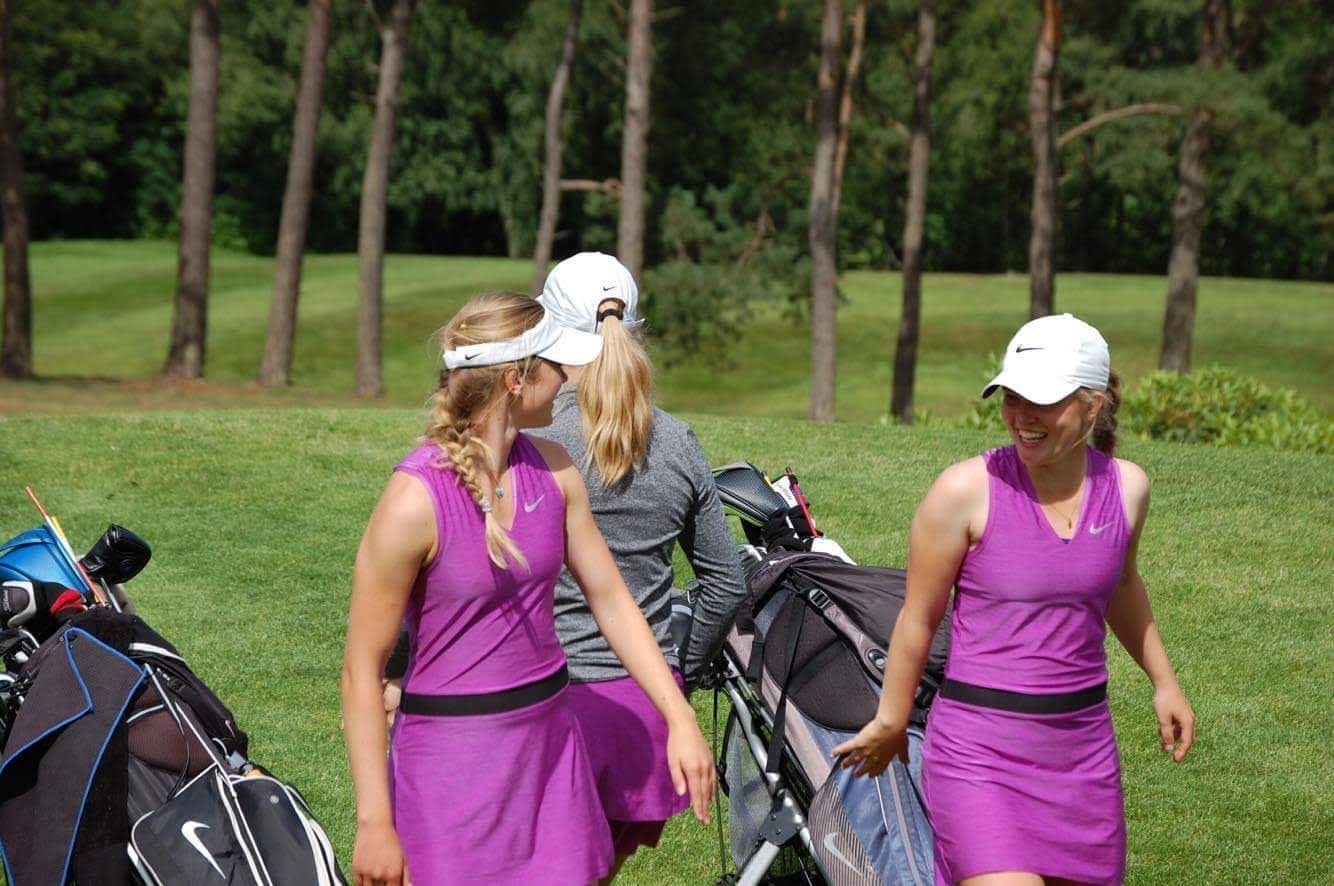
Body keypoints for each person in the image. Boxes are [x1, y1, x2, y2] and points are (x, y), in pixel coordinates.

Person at [341, 291, 716, 886]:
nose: (567, 378)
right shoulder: (413, 501)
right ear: (516, 379)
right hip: (450, 767)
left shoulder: (556, 469)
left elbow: (613, 602)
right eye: (555, 364)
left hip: (550, 752)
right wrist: (374, 823)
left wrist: (680, 718)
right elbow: (362, 671)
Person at [832, 313, 1196, 886]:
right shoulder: (964, 492)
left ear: (1093, 405)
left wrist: (1164, 682)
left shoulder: (1127, 488)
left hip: (1083, 759)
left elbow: (1122, 584)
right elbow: (918, 617)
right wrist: (892, 718)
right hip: (979, 757)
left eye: (1042, 401)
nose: (1022, 416)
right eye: (1012, 398)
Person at [529, 252, 748, 881]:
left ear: (550, 328)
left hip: (552, 706)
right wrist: (683, 671)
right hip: (646, 712)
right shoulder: (677, 440)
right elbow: (725, 582)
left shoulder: (533, 443)